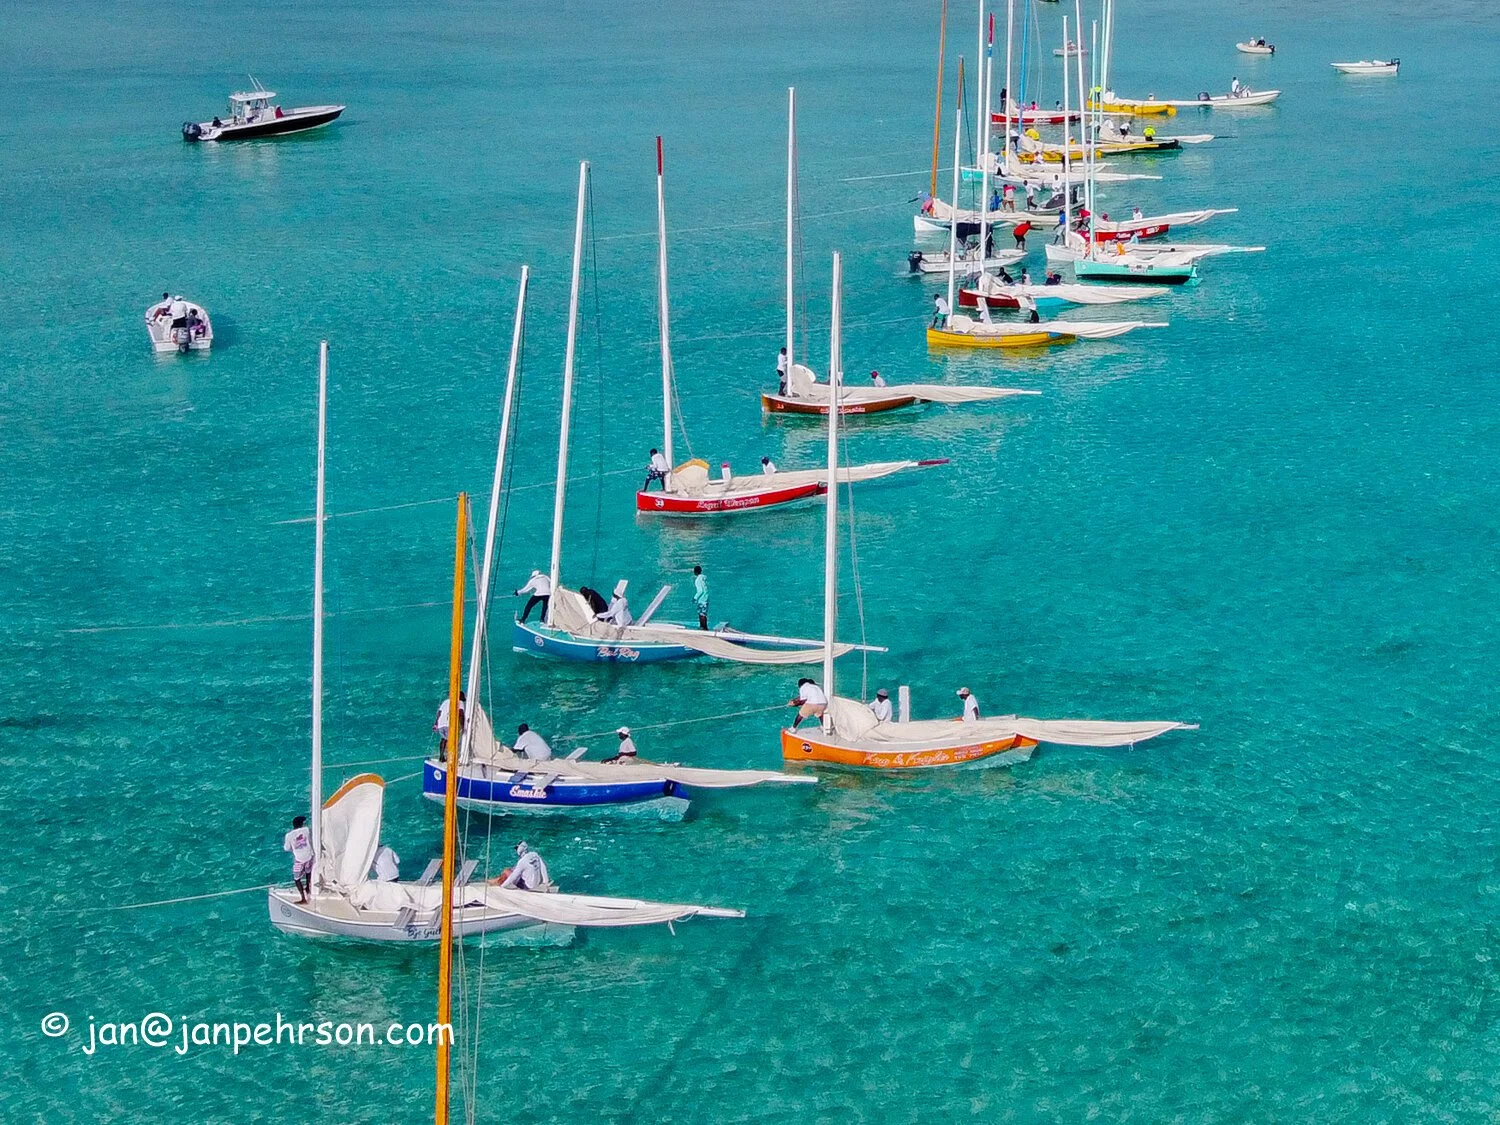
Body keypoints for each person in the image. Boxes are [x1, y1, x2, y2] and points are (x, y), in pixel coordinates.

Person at [283, 815, 313, 903]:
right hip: (309, 856)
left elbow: (287, 848)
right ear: (301, 824)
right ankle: (308, 887)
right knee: (308, 872)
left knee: (297, 879)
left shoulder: (289, 835)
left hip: (299, 859)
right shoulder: (306, 830)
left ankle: (303, 898)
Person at [692, 564, 710, 629]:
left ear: (695, 572)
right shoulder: (704, 578)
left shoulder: (697, 580)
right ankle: (705, 627)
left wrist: (695, 598)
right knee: (704, 613)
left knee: (701, 614)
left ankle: (703, 627)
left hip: (701, 599)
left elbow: (700, 591)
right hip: (706, 598)